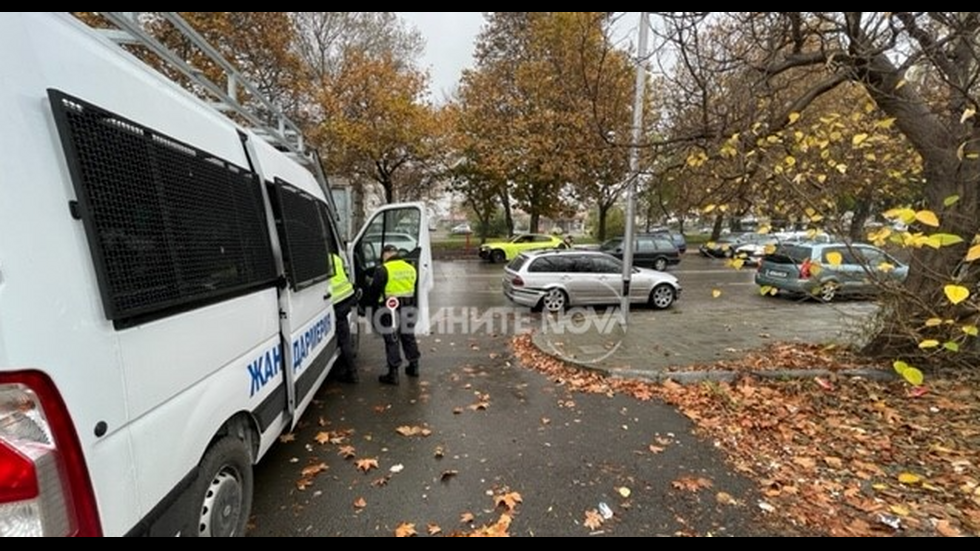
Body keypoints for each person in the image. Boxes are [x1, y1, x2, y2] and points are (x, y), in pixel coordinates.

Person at [365, 244, 421, 385]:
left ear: (385, 255)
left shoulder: (383, 270)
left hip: (389, 310)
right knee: (408, 337)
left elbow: (374, 291)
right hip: (409, 307)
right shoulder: (411, 268)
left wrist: (368, 305)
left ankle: (393, 373)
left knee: (392, 339)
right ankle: (414, 367)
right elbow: (414, 288)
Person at [330, 252, 359, 383]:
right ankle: (351, 372)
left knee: (344, 340)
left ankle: (352, 373)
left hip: (336, 302)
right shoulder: (335, 257)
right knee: (345, 338)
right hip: (348, 297)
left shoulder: (314, 260)